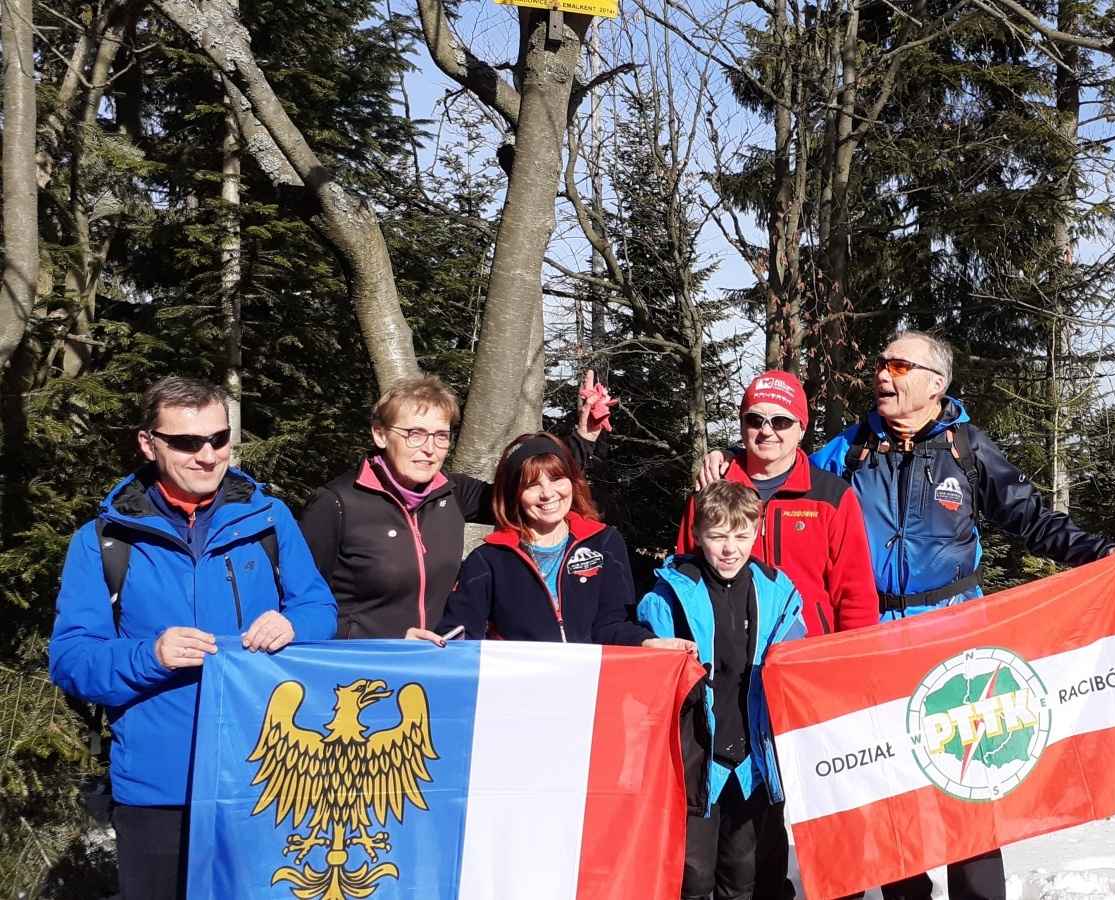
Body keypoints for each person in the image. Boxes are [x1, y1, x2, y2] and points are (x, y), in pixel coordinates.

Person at [700, 331, 1115, 900]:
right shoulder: (851, 449)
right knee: (888, 789)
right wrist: (729, 463)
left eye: (897, 365)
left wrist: (1103, 554)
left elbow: (1032, 519)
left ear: (936, 383)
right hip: (874, 639)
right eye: (880, 364)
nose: (881, 375)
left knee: (969, 781)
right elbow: (784, 482)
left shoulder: (966, 447)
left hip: (954, 636)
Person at [49, 377, 338, 900]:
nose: (207, 456)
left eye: (219, 439)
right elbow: (71, 660)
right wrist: (150, 655)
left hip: (267, 777)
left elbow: (319, 607)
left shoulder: (270, 519)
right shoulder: (103, 541)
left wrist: (294, 625)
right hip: (160, 787)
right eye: (186, 443)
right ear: (148, 443)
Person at [677, 370, 875, 899]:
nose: (767, 431)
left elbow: (854, 592)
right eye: (754, 420)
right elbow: (682, 577)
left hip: (806, 679)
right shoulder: (712, 491)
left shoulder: (831, 495)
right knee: (741, 810)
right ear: (741, 425)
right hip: (729, 682)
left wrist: (851, 670)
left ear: (801, 427)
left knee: (809, 803)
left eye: (782, 421)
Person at [299, 372, 616, 638]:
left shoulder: (451, 492)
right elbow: (302, 603)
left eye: (441, 436)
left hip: (436, 669)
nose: (429, 449)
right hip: (359, 674)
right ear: (380, 435)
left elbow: (531, 491)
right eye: (414, 434)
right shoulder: (337, 504)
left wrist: (582, 438)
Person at [637, 481, 806, 900]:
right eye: (717, 536)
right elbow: (645, 682)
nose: (729, 548)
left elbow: (802, 664)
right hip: (694, 758)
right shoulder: (670, 596)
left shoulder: (779, 592)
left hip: (753, 760)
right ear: (697, 535)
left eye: (741, 535)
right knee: (692, 875)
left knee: (741, 872)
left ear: (757, 532)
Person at [406, 432, 691, 650]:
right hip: (517, 699)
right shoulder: (488, 559)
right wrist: (430, 646)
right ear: (514, 494)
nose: (548, 494)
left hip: (591, 694)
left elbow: (612, 624)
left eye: (557, 479)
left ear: (572, 482)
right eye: (532, 485)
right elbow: (460, 634)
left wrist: (647, 641)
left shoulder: (604, 542)